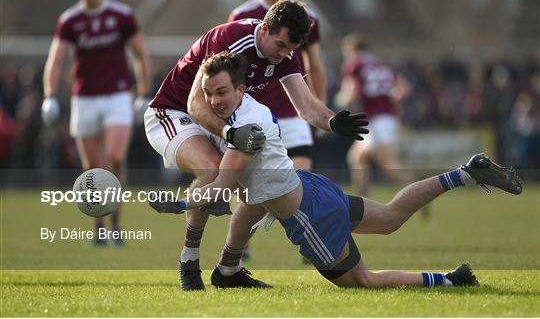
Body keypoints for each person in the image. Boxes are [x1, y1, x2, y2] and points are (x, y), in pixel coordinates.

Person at [149, 51, 522, 288]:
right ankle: (465, 173)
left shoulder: (248, 131)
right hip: (310, 187)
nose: (213, 101)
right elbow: (244, 196)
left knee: (361, 281)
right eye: (209, 93)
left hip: (310, 215)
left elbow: (221, 185)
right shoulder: (248, 112)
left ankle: (450, 281)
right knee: (391, 216)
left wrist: (179, 204)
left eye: (222, 93)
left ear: (241, 90)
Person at [144, 0, 368, 290]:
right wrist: (229, 134)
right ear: (264, 29)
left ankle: (229, 269)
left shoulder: (284, 54)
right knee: (213, 172)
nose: (284, 54)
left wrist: (333, 122)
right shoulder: (230, 40)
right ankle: (189, 261)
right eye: (281, 44)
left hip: (219, 120)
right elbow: (196, 102)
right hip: (174, 113)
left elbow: (307, 105)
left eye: (290, 48)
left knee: (260, 187)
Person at [41, 0, 152, 245]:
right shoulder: (70, 20)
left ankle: (115, 223)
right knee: (92, 167)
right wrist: (50, 94)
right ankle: (98, 227)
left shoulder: (121, 15)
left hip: (117, 96)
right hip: (85, 98)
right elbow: (56, 60)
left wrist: (144, 92)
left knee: (115, 158)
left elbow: (140, 53)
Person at [228, 0, 327, 172]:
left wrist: (320, 106)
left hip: (293, 112)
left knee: (302, 182)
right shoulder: (241, 15)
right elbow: (231, 69)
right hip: (253, 113)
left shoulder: (308, 18)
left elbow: (315, 65)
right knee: (246, 188)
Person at [335, 33, 413, 198]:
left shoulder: (355, 65)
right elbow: (404, 88)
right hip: (385, 118)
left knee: (389, 166)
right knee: (356, 158)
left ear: (352, 50)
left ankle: (417, 191)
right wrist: (390, 102)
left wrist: (340, 102)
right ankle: (362, 201)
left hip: (375, 120)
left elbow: (350, 94)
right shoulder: (380, 64)